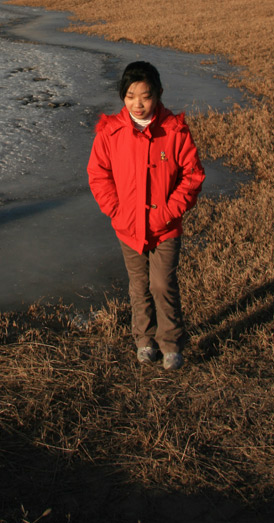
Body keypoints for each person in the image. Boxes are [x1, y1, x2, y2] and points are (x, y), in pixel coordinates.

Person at [87, 61, 205, 369]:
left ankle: (171, 344)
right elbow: (99, 175)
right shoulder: (110, 132)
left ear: (159, 94)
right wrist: (117, 212)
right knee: (138, 285)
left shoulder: (175, 130)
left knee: (162, 284)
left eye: (145, 96)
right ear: (122, 97)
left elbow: (192, 176)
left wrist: (167, 212)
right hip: (128, 227)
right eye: (130, 96)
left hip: (165, 228)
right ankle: (143, 340)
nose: (138, 104)